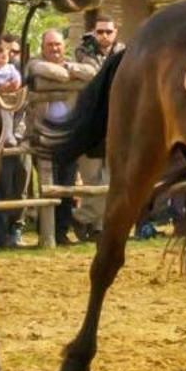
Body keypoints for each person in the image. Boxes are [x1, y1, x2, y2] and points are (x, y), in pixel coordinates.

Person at [27, 28, 99, 243]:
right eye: (50, 45)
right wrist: (67, 76)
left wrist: (67, 67)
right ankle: (46, 232)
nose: (54, 48)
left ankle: (61, 231)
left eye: (58, 44)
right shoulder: (33, 63)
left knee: (67, 185)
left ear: (64, 46)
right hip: (42, 135)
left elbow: (92, 72)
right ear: (42, 48)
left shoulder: (70, 62)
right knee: (48, 185)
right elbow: (40, 69)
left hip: (68, 135)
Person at [67, 18, 125, 239]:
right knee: (92, 179)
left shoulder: (124, 52)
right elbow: (96, 72)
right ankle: (88, 222)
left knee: (109, 179)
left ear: (115, 32)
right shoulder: (82, 51)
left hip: (114, 126)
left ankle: (87, 220)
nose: (104, 36)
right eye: (100, 32)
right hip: (89, 126)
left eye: (108, 31)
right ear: (94, 32)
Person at [0, 42, 27, 248]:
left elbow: (19, 85)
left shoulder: (13, 70)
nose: (3, 58)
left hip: (15, 136)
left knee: (16, 186)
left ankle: (13, 231)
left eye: (5, 54)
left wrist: (12, 88)